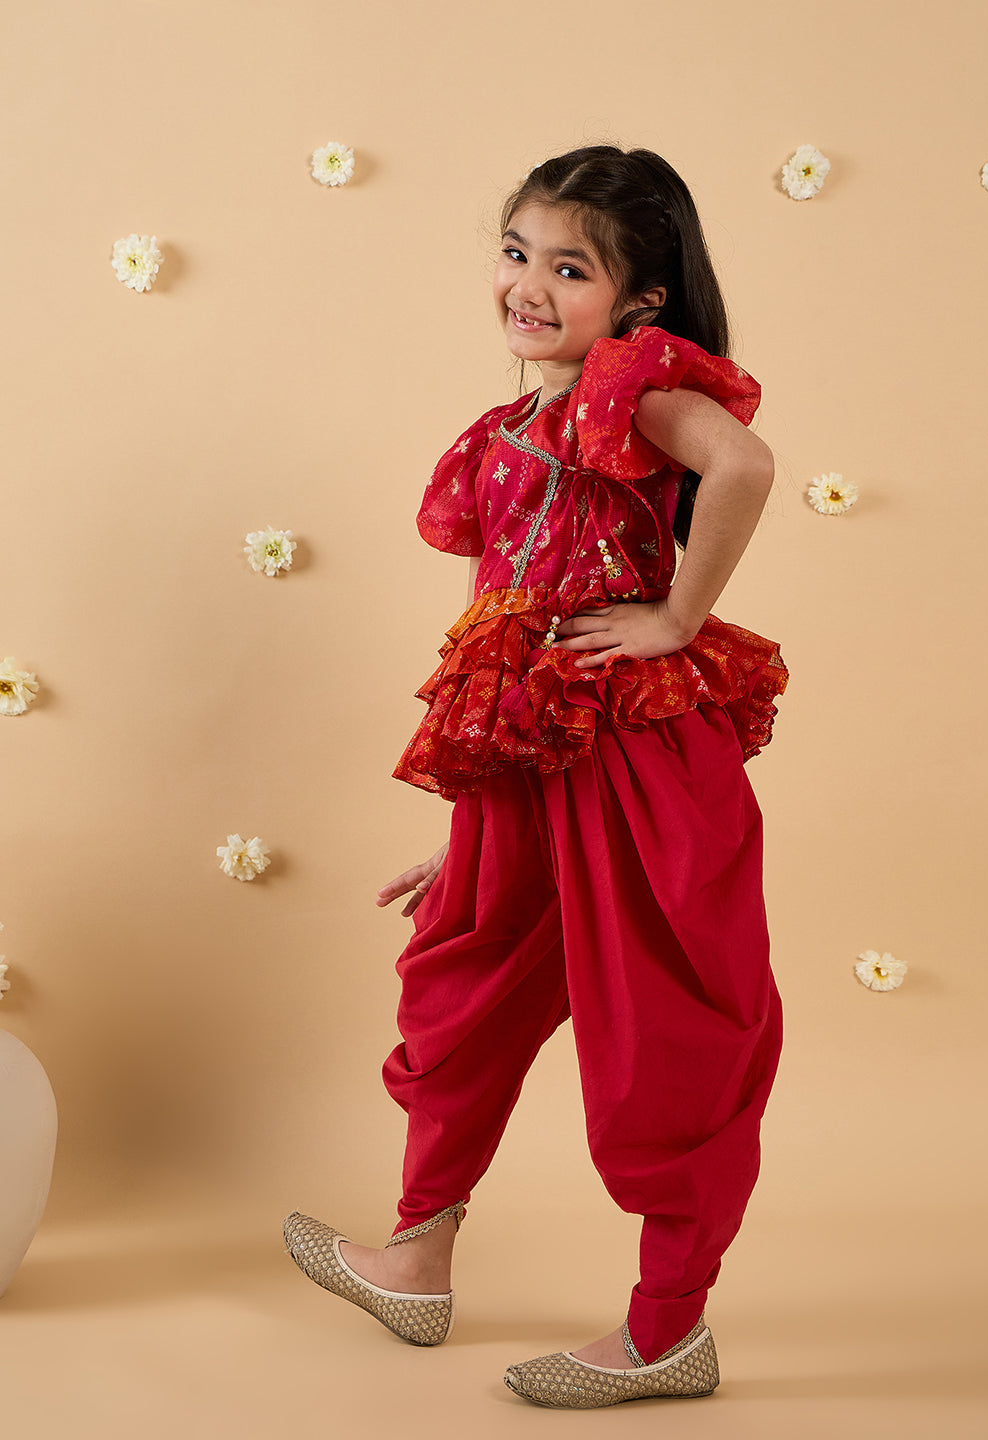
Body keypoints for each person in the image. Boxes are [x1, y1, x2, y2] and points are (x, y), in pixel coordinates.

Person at [284, 143, 790, 1410]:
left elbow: (743, 466)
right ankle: (416, 1256)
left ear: (639, 301)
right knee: (463, 971)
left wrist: (675, 617)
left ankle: (668, 1330)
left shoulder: (632, 389)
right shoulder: (506, 431)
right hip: (526, 761)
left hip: (633, 755)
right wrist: (472, 825)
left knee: (665, 1023)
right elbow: (494, 640)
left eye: (570, 269)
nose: (529, 286)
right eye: (517, 254)